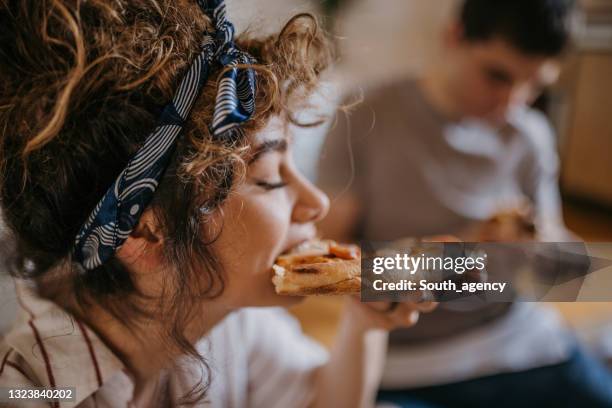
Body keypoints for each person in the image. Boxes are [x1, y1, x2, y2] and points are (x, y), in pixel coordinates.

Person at [0, 1, 436, 407]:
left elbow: (319, 399)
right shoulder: (29, 391)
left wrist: (364, 325)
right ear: (147, 231)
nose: (317, 202)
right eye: (268, 179)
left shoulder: (223, 312)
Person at [318, 0, 612, 406]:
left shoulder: (530, 135)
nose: (512, 102)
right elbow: (329, 269)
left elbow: (557, 262)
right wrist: (461, 250)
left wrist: (545, 246)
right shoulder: (367, 115)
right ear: (454, 37)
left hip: (517, 337)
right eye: (497, 75)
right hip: (404, 355)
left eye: (534, 86)